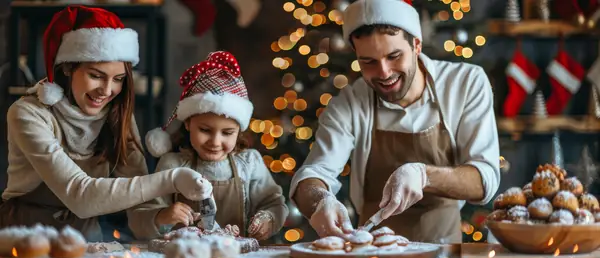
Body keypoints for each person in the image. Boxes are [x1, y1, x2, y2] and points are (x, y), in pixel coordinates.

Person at [289, 0, 500, 243]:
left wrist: (423, 175)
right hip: (372, 256)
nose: (384, 72)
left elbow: (484, 181)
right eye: (368, 61)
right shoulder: (349, 103)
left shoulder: (465, 83)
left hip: (443, 255)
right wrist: (320, 202)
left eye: (394, 56)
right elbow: (311, 176)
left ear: (417, 45)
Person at [0, 6, 209, 242]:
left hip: (87, 243)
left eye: (118, 79)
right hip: (23, 242)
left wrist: (159, 217)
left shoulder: (117, 115)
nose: (107, 91)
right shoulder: (27, 113)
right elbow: (80, 196)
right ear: (68, 67)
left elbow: (139, 205)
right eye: (96, 76)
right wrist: (170, 180)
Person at [142, 51, 289, 240]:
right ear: (188, 123)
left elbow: (274, 203)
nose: (215, 142)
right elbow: (143, 215)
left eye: (227, 133)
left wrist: (268, 219)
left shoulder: (250, 163)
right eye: (205, 130)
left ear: (239, 130)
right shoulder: (172, 164)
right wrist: (162, 217)